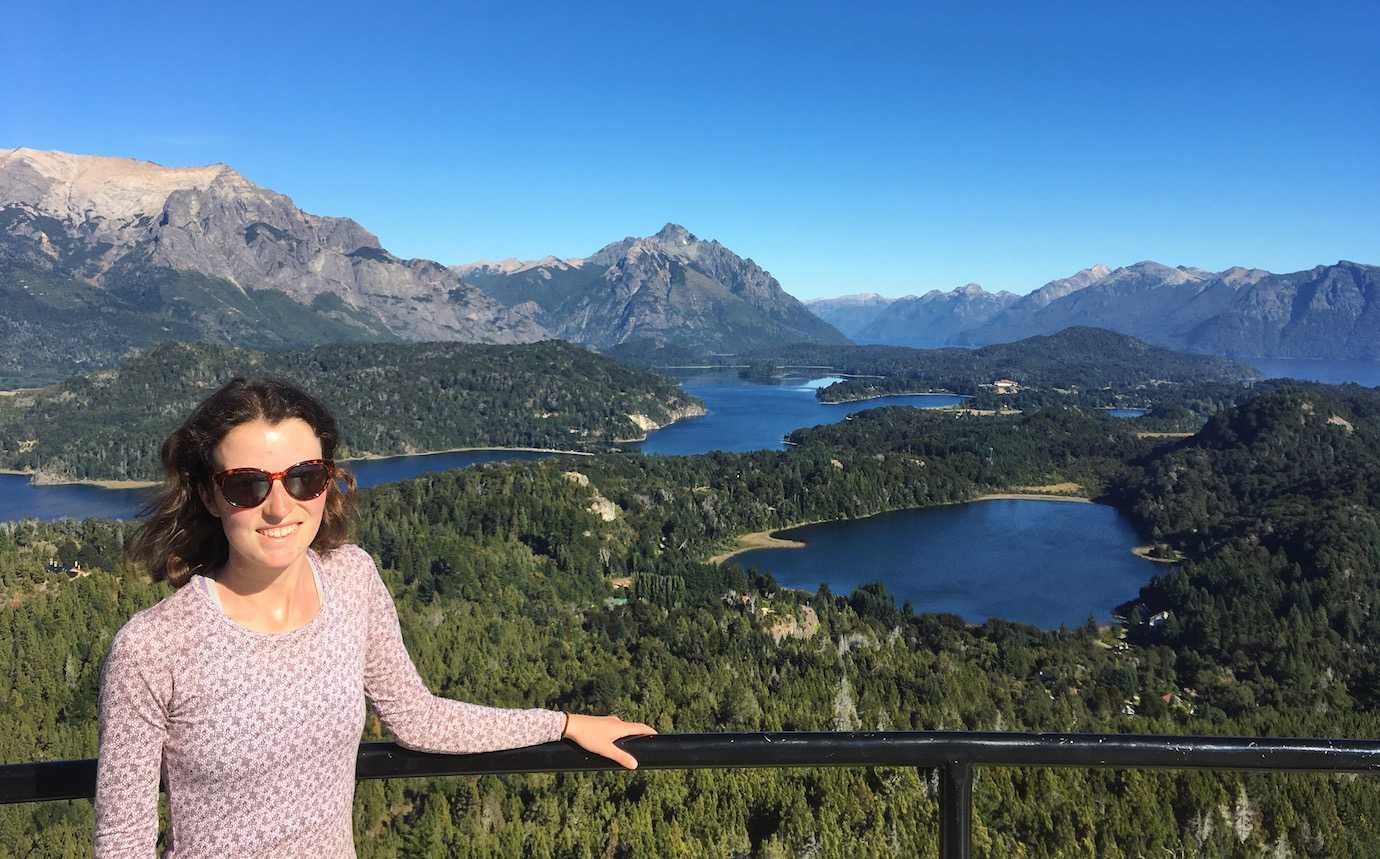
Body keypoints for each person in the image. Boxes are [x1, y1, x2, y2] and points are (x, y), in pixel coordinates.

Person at [94, 377, 655, 857]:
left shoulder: (350, 579)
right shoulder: (154, 647)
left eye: (303, 478)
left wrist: (562, 724)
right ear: (211, 497)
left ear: (327, 482)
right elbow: (123, 843)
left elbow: (417, 717)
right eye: (247, 485)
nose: (280, 506)